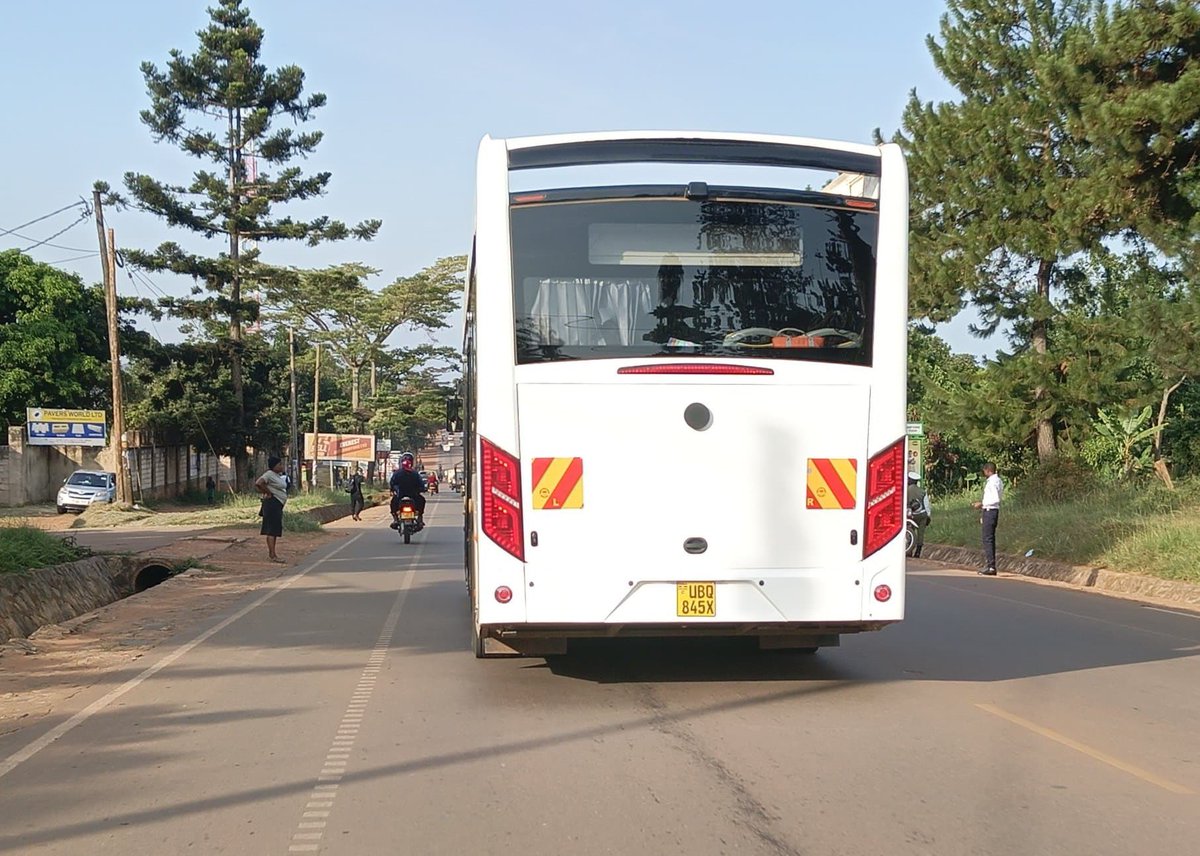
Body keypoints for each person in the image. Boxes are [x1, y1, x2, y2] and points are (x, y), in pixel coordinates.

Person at [254, 456, 289, 563]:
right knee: (271, 530)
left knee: (275, 530)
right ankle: (272, 555)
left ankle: (273, 553)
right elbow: (259, 483)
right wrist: (268, 492)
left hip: (277, 504)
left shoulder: (277, 476)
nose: (281, 466)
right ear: (274, 466)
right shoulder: (269, 474)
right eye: (279, 464)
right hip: (272, 504)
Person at [971, 462, 1003, 575]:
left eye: (984, 471)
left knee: (987, 539)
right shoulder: (997, 480)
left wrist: (981, 503)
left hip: (990, 510)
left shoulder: (992, 482)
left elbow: (995, 498)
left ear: (988, 470)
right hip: (991, 511)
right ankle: (991, 564)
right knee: (990, 538)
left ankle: (991, 566)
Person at [388, 452, 426, 529]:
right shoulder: (415, 474)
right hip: (413, 496)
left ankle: (395, 519)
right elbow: (421, 484)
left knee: (393, 504)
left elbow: (392, 483)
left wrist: (392, 490)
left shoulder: (397, 473)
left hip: (400, 496)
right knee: (422, 500)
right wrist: (422, 489)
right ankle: (420, 518)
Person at [906, 473, 932, 558]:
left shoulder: (905, 490)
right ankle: (918, 552)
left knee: (909, 531)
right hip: (922, 515)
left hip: (910, 515)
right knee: (921, 533)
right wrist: (928, 515)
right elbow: (927, 505)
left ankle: (909, 551)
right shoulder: (922, 491)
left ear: (910, 480)